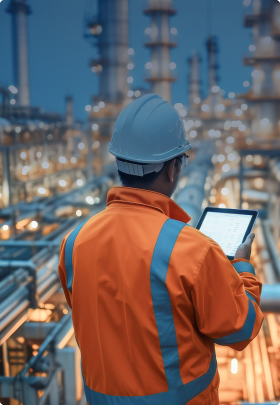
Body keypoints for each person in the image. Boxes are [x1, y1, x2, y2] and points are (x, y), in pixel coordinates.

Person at [58, 94, 264, 405]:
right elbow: (240, 328)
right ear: (172, 170)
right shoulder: (192, 249)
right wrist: (242, 269)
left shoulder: (74, 242)